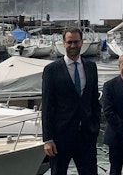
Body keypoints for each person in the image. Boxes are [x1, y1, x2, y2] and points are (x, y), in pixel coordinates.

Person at [41, 27, 100, 175]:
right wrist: (47, 139)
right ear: (64, 43)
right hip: (60, 137)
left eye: (76, 42)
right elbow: (47, 105)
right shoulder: (51, 70)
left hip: (86, 135)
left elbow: (94, 100)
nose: (73, 45)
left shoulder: (91, 67)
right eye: (69, 42)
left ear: (82, 42)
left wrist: (95, 126)